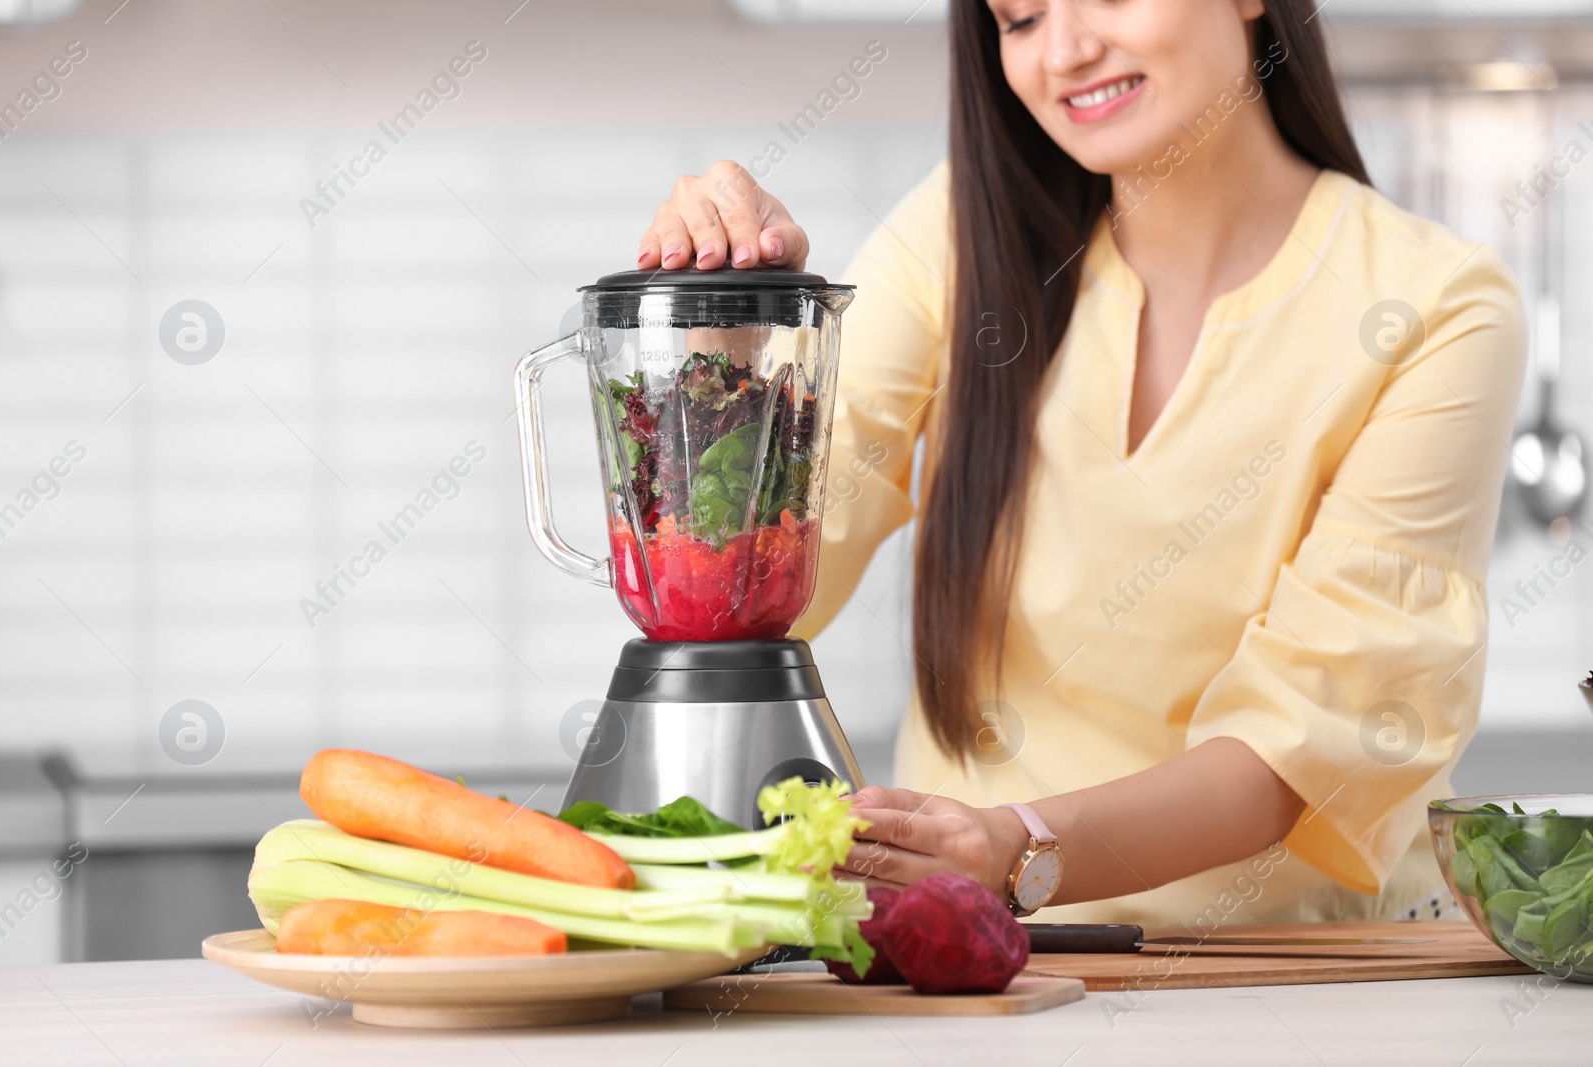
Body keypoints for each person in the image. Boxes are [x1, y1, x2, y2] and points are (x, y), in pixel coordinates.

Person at [636, 0, 1525, 926]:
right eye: (1018, 20)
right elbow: (758, 590)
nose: (1064, 50)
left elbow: (1299, 746)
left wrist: (1013, 846)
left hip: (1287, 978)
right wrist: (731, 330)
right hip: (978, 967)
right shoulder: (956, 236)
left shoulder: (1436, 306)